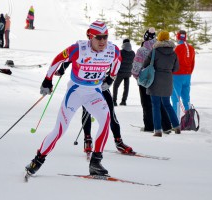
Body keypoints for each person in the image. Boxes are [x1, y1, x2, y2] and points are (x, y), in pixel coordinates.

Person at [25, 21, 121, 177]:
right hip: (75, 92)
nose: (103, 41)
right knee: (60, 130)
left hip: (94, 93)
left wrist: (110, 78)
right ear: (90, 36)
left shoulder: (112, 50)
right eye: (98, 37)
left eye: (105, 37)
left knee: (106, 120)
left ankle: (96, 162)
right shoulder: (78, 49)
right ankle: (37, 160)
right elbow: (58, 59)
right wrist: (48, 79)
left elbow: (118, 62)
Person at [56, 61, 134, 155]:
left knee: (111, 113)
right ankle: (87, 139)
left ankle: (118, 141)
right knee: (86, 112)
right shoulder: (83, 48)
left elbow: (115, 63)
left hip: (101, 85)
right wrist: (61, 70)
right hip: (86, 88)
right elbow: (70, 57)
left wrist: (110, 78)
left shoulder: (105, 50)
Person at [132, 28, 172, 133]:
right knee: (159, 103)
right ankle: (166, 126)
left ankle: (149, 127)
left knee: (146, 104)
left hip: (145, 80)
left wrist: (137, 77)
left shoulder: (142, 50)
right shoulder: (159, 49)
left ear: (145, 37)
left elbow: (136, 67)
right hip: (158, 80)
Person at [142, 30, 180, 137]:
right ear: (167, 38)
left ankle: (158, 130)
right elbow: (176, 68)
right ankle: (177, 126)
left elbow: (145, 64)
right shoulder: (173, 53)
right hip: (168, 81)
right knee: (167, 104)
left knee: (156, 105)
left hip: (155, 81)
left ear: (159, 38)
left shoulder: (154, 51)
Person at [171, 30, 196, 120]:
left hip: (177, 76)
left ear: (177, 37)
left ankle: (175, 122)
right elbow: (193, 63)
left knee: (175, 99)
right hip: (187, 75)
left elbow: (173, 62)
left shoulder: (177, 48)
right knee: (186, 98)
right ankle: (189, 120)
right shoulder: (191, 48)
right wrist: (189, 72)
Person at [112, 38, 135, 106]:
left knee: (116, 86)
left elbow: (116, 61)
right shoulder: (132, 53)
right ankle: (124, 101)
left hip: (120, 72)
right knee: (126, 87)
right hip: (128, 72)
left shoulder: (120, 52)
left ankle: (114, 101)